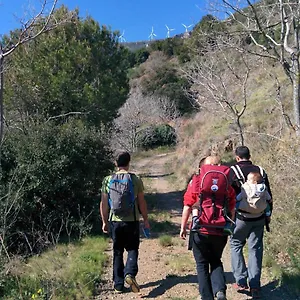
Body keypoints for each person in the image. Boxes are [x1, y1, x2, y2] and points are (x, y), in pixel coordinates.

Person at [180, 155, 236, 300]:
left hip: (200, 229)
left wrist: (183, 227)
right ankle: (220, 291)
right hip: (220, 229)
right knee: (216, 260)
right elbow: (232, 208)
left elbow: (187, 206)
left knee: (202, 264)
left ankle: (207, 297)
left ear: (201, 167)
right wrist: (230, 225)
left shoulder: (197, 181)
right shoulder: (226, 182)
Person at [100, 151, 150, 294]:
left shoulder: (107, 180)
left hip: (115, 221)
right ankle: (130, 273)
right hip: (132, 221)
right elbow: (141, 202)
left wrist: (104, 221)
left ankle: (118, 284)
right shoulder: (135, 179)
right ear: (129, 162)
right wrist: (145, 219)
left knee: (117, 252)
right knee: (132, 249)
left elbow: (104, 204)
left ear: (116, 163)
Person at [229, 146, 273, 299]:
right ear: (250, 155)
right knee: (255, 249)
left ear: (237, 157)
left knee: (235, 244)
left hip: (241, 217)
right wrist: (268, 215)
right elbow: (269, 195)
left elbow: (229, 194)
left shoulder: (233, 171)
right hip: (259, 217)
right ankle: (255, 286)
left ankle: (241, 281)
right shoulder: (261, 170)